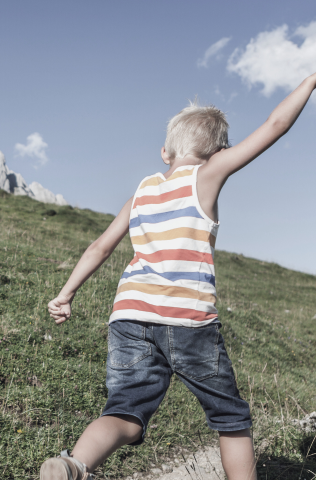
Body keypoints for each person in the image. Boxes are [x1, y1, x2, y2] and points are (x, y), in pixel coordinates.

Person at [40, 73, 316, 480]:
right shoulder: (207, 174)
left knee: (125, 412)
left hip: (130, 316)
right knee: (231, 417)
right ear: (219, 150)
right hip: (188, 320)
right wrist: (310, 80)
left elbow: (101, 245)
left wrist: (66, 294)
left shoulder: (143, 191)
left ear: (166, 151)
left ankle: (73, 464)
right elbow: (276, 125)